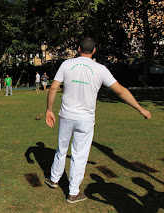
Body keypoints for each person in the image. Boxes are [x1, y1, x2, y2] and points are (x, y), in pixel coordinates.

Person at [45, 37, 151, 204]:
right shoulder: (100, 69)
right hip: (85, 119)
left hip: (66, 115)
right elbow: (121, 91)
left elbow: (53, 87)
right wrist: (141, 109)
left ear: (78, 48)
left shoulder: (66, 64)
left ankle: (54, 179)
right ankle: (72, 192)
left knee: (62, 147)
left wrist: (49, 110)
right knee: (79, 155)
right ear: (94, 50)